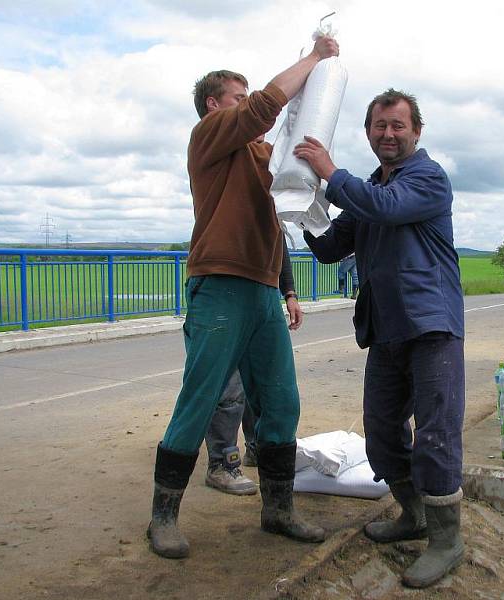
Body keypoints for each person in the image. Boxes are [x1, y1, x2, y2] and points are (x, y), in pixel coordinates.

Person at [147, 35, 339, 560]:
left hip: (261, 292)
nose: (245, 100)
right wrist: (318, 58)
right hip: (219, 285)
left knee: (281, 402)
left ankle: (278, 510)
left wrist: (288, 288)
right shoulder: (209, 136)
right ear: (215, 104)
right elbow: (264, 107)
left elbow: (277, 225)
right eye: (237, 95)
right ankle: (162, 518)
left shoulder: (264, 158)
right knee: (201, 398)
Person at [294, 89, 465, 589]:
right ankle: (412, 513)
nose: (387, 134)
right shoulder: (368, 188)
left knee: (436, 432)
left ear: (416, 131)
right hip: (386, 330)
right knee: (382, 429)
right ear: (368, 132)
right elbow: (329, 249)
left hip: (431, 324)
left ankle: (446, 540)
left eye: (397, 126)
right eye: (378, 126)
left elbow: (385, 208)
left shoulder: (427, 179)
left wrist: (329, 172)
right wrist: (298, 207)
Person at [203, 245, 303, 494]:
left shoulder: (271, 210)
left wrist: (290, 293)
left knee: (259, 384)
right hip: (224, 294)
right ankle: (221, 464)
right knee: (229, 388)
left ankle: (257, 449)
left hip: (260, 299)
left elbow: (277, 244)